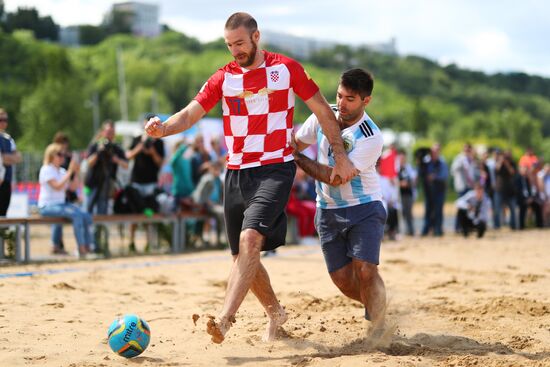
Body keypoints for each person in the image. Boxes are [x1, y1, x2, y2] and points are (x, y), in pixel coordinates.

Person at [145, 12, 356, 344]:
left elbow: (322, 110)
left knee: (249, 242)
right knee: (240, 257)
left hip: (275, 167)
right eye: (229, 45)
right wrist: (164, 128)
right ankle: (276, 313)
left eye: (240, 43)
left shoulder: (285, 69)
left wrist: (339, 155)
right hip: (236, 172)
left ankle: (225, 319)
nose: (235, 51)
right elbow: (190, 113)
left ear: (256, 37)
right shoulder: (223, 77)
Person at [293, 68, 387, 333]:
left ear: (365, 101)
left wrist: (297, 158)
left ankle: (378, 323)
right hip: (327, 211)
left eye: (350, 99)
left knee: (366, 270)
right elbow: (295, 144)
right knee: (343, 281)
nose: (342, 104)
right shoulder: (323, 115)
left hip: (365, 207)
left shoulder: (370, 135)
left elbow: (336, 178)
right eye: (339, 95)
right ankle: (378, 303)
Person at [38, 143, 92, 257]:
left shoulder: (61, 171)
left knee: (85, 215)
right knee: (76, 215)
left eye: (63, 154)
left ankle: (88, 246)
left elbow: (73, 187)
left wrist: (76, 172)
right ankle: (81, 249)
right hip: (47, 206)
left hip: (61, 205)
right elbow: (57, 186)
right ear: (51, 155)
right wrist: (69, 172)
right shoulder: (46, 169)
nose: (62, 157)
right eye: (59, 154)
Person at [84, 120, 128, 253]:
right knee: (87, 214)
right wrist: (99, 152)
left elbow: (126, 165)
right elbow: (88, 163)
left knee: (101, 216)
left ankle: (98, 245)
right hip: (92, 185)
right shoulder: (95, 145)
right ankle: (86, 245)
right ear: (103, 132)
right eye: (107, 131)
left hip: (106, 186)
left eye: (112, 132)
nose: (109, 134)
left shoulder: (116, 148)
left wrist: (116, 159)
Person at [125, 115, 165, 252]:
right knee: (135, 213)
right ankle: (131, 242)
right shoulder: (137, 139)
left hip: (150, 183)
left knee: (148, 212)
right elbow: (128, 156)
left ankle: (149, 242)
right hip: (136, 181)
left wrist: (152, 152)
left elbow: (160, 162)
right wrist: (140, 147)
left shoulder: (158, 142)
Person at [49, 132, 79, 255]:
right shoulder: (53, 159)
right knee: (58, 221)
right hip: (55, 197)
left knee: (62, 220)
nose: (64, 148)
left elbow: (70, 179)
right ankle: (55, 244)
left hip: (65, 192)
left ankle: (58, 244)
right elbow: (58, 182)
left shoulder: (67, 157)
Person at [420, 143, 448, 237]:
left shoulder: (442, 162)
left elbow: (444, 175)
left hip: (439, 190)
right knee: (428, 210)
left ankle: (438, 229)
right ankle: (426, 229)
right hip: (429, 191)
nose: (434, 153)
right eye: (433, 151)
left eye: (436, 151)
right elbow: (422, 173)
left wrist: (434, 177)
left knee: (438, 210)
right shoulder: (426, 161)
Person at [0, 108, 22, 216]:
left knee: (3, 213)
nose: (4, 122)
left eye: (5, 120)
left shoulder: (8, 139)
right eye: (1, 119)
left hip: (6, 181)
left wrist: (4, 157)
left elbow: (18, 157)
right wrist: (9, 158)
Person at [397, 150, 416, 236]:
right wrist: (401, 184)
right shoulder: (396, 169)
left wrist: (408, 183)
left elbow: (413, 179)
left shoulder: (408, 168)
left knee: (408, 213)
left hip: (408, 194)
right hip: (399, 195)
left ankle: (410, 230)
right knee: (400, 213)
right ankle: (400, 230)